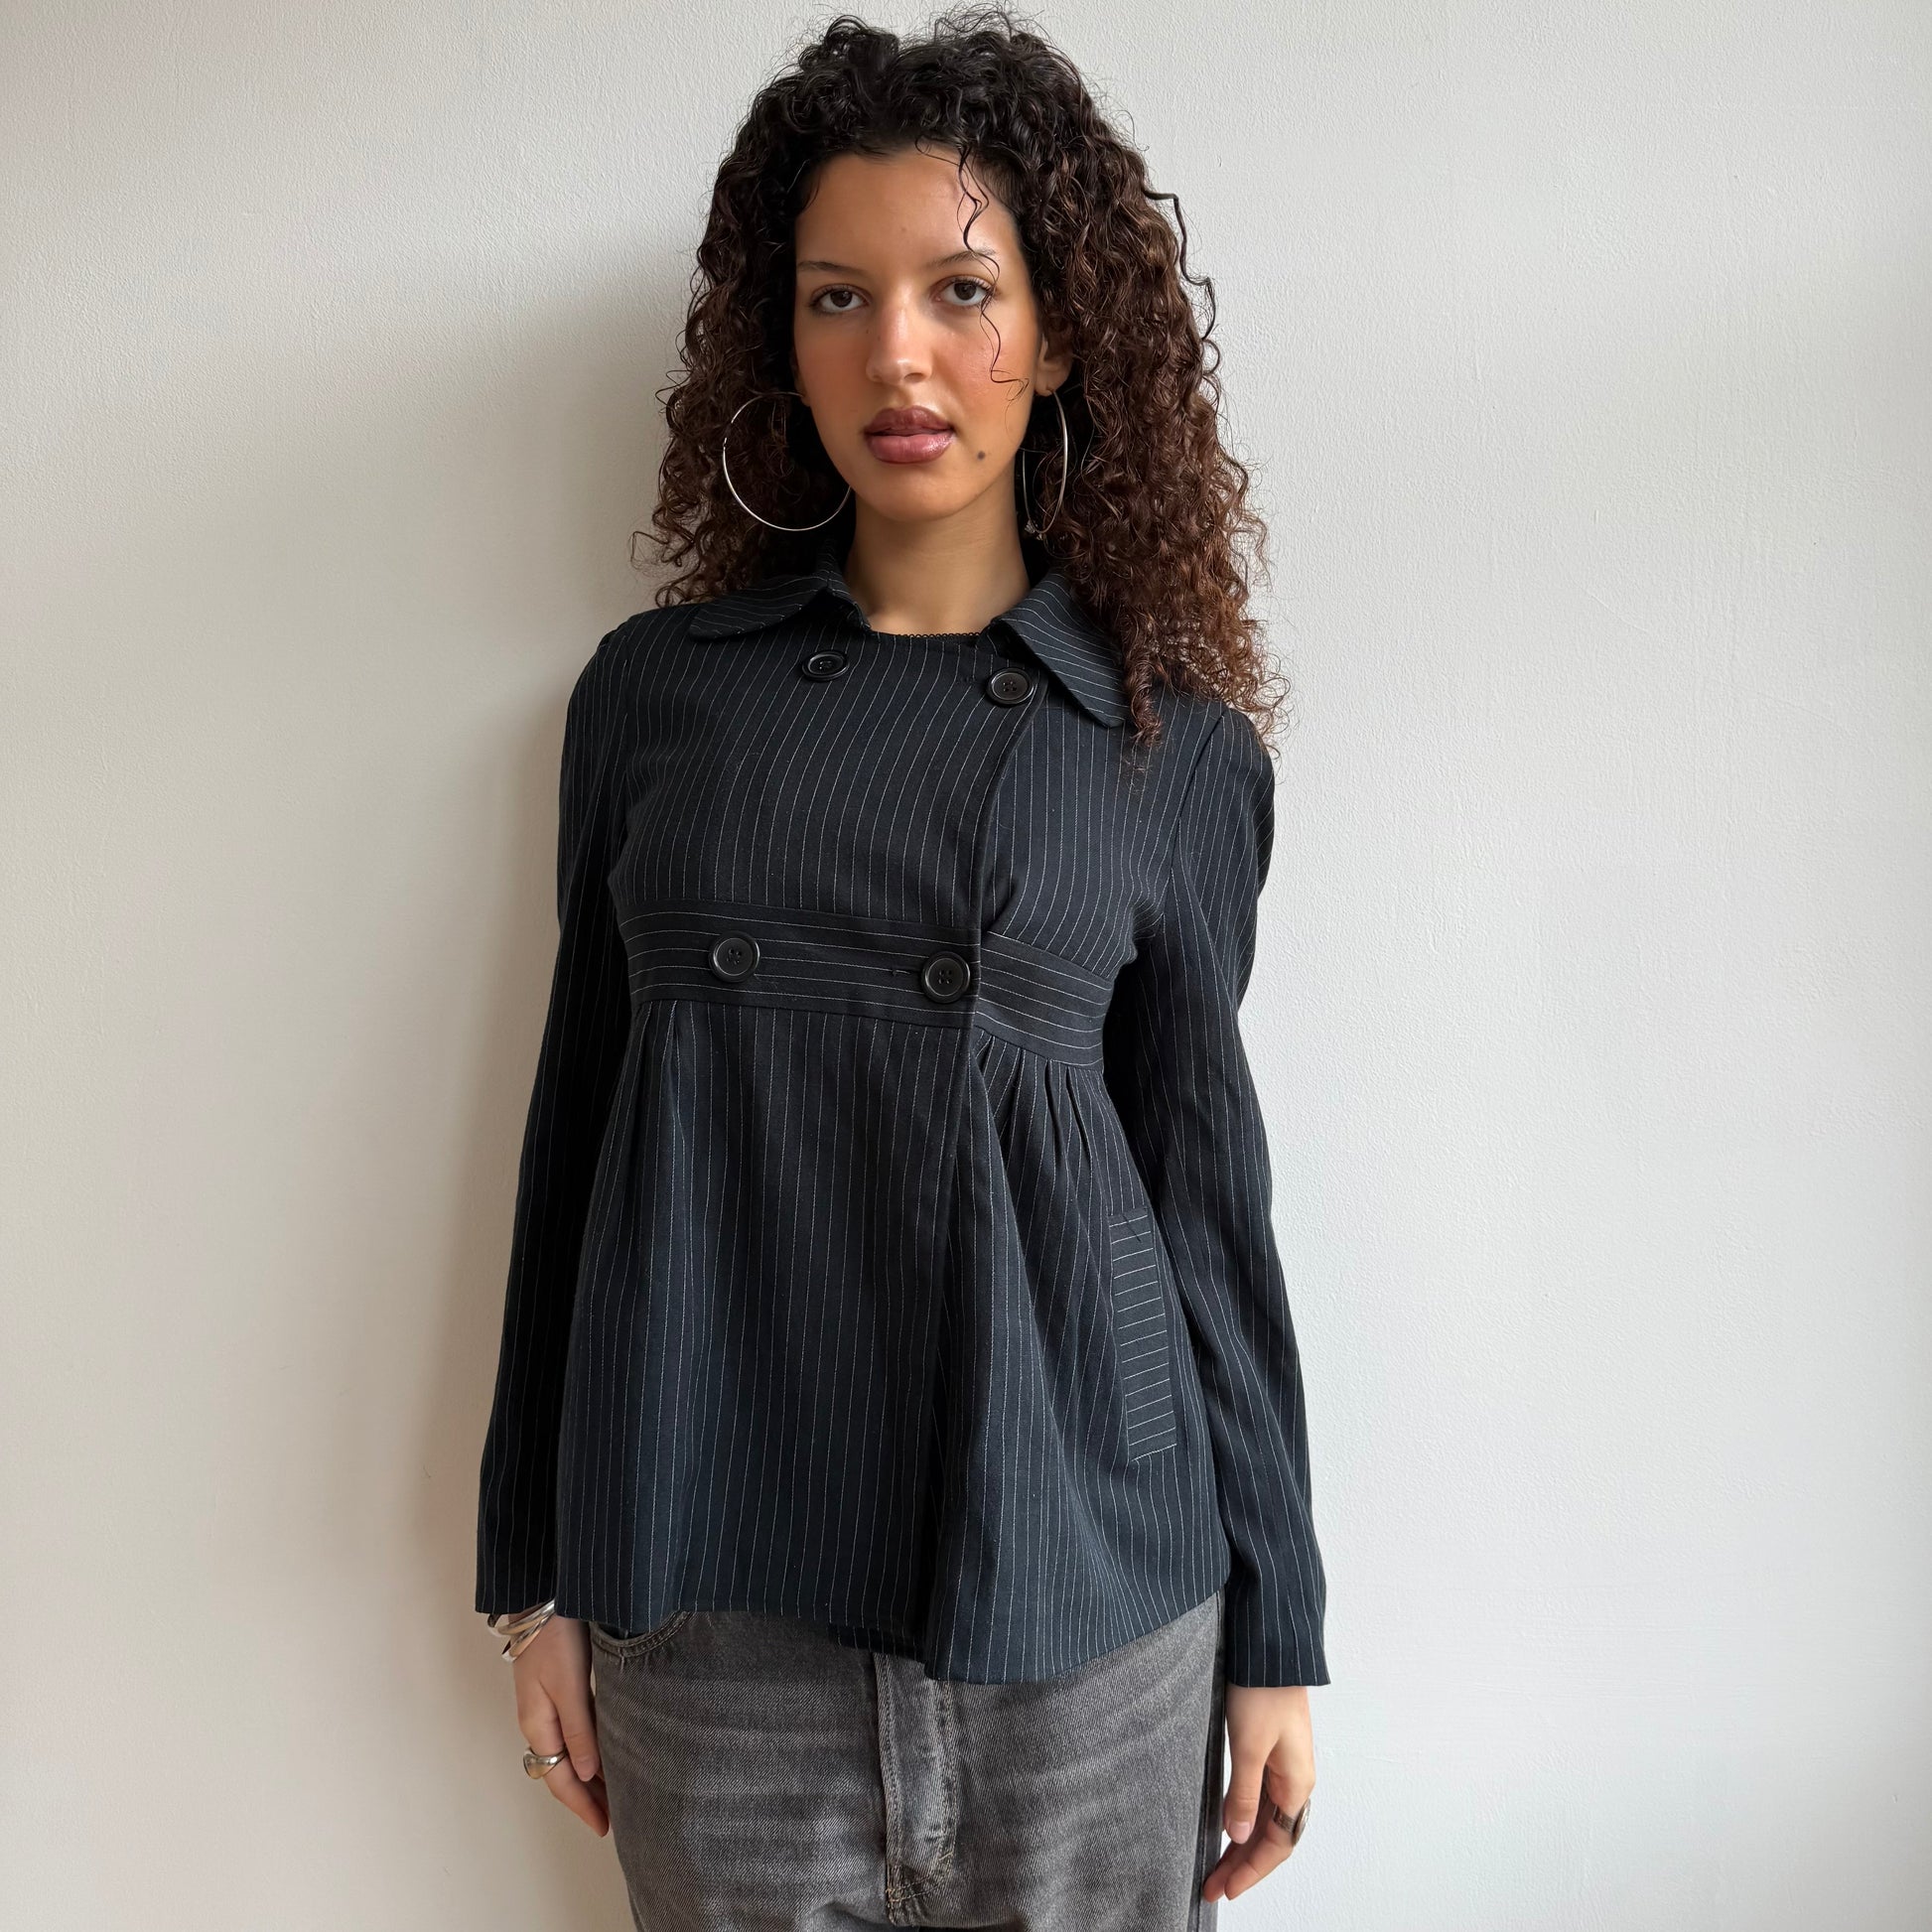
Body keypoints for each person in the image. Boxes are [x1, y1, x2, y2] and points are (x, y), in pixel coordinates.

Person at [475, 10, 1328, 1926]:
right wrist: (531, 1572)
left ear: (1062, 332)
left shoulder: (1171, 749)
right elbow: (574, 1140)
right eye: (837, 298)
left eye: (962, 290)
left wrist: (1277, 1625)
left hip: (1087, 1611)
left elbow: (1205, 1205)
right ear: (776, 343)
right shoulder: (653, 701)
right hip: (709, 1610)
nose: (899, 357)